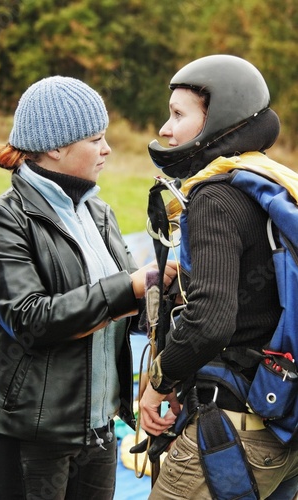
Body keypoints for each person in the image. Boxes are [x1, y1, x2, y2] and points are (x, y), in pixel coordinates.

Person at [0, 75, 177, 500]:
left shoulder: (100, 213)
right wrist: (135, 283)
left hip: (99, 431)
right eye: (96, 138)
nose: (108, 149)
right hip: (28, 436)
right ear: (56, 147)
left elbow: (127, 308)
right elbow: (33, 320)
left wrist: (165, 299)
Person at [139, 54, 298, 499]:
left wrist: (159, 381)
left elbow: (210, 322)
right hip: (284, 429)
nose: (165, 129)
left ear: (218, 121)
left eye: (177, 115)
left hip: (233, 434)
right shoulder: (267, 187)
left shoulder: (214, 198)